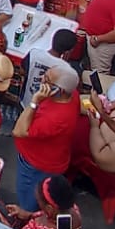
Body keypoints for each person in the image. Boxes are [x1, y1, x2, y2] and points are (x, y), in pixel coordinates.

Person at [11, 62, 80, 210]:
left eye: (47, 79)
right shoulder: (72, 94)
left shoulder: (55, 119)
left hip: (36, 164)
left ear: (58, 90)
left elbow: (19, 131)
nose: (42, 79)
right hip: (48, 157)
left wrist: (34, 101)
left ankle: (24, 220)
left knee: (29, 200)